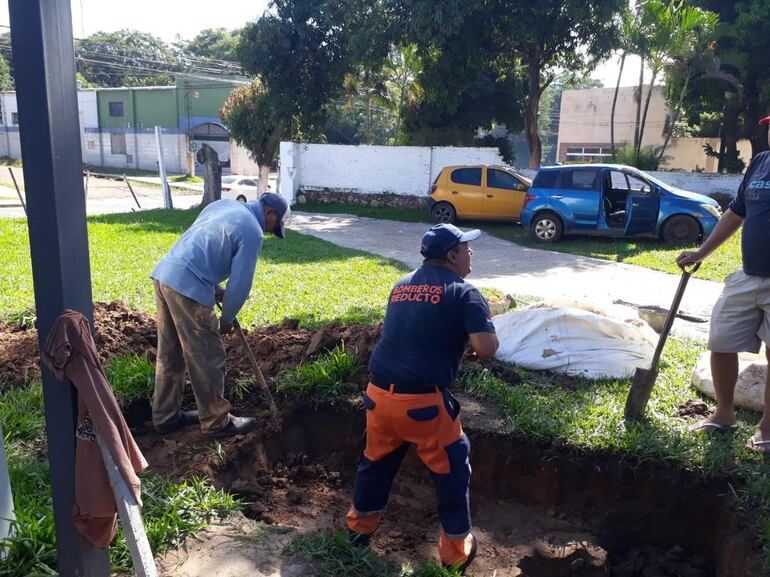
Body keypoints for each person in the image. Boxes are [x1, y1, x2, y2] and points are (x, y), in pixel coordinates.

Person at [345, 223, 499, 572]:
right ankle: (455, 553)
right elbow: (487, 348)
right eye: (465, 247)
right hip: (423, 407)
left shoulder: (401, 285)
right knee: (452, 467)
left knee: (376, 462)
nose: (470, 253)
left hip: (377, 397)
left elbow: (410, 333)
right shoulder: (465, 292)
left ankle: (358, 531)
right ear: (451, 255)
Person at [150, 192, 289, 438]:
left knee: (170, 351)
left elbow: (200, 247)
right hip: (187, 287)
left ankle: (165, 417)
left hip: (165, 276)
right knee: (207, 354)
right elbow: (241, 283)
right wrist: (226, 320)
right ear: (269, 213)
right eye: (273, 226)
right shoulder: (252, 230)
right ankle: (216, 421)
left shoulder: (224, 205)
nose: (269, 231)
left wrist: (214, 289)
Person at [677, 115, 770, 453]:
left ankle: (768, 428)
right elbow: (736, 212)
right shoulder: (760, 163)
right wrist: (703, 251)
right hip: (747, 275)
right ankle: (725, 414)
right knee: (721, 339)